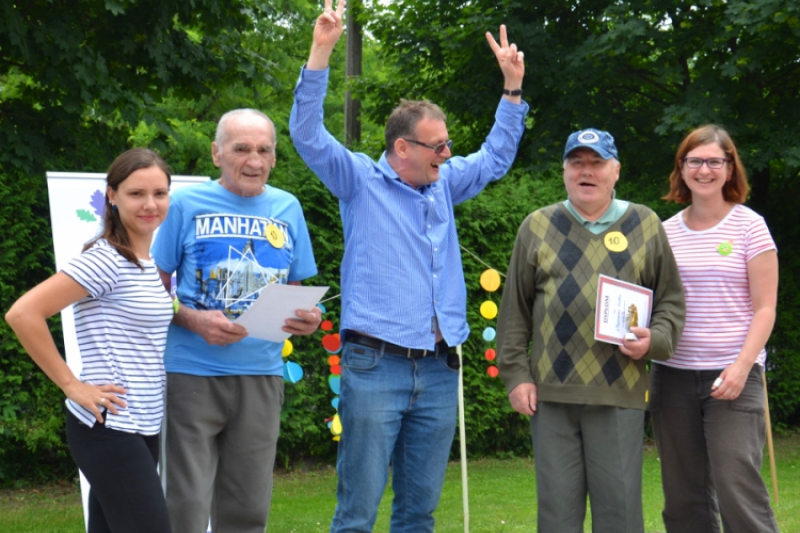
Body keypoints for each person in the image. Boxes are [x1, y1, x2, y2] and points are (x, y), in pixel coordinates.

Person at [290, 2, 528, 531]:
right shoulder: (358, 181)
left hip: (441, 367)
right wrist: (321, 52)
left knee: (419, 512)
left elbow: (493, 159)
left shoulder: (444, 182)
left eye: (447, 144)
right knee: (357, 512)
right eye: (438, 144)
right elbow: (308, 136)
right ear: (403, 147)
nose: (447, 152)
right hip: (376, 365)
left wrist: (512, 91)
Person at [496, 129, 686, 533]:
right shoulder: (537, 226)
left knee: (620, 515)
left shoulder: (646, 224)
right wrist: (516, 376)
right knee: (557, 516)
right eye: (576, 163)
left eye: (596, 163)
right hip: (550, 395)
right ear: (564, 171)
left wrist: (657, 339)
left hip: (619, 393)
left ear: (615, 171)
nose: (587, 172)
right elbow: (514, 311)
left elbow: (670, 301)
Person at [151, 109, 322, 533]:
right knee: (184, 507)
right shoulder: (185, 205)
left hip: (262, 375)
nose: (254, 160)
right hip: (191, 372)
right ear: (216, 153)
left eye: (264, 150)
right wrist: (191, 319)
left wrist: (309, 318)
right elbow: (150, 289)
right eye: (241, 148)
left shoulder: (288, 206)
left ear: (276, 158)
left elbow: (296, 291)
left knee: (247, 509)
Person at [5, 149, 174, 533]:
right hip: (109, 427)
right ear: (111, 196)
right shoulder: (106, 259)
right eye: (136, 194)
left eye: (159, 193)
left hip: (144, 424)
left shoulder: (149, 264)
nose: (150, 204)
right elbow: (22, 313)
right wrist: (72, 385)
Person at [651, 125, 780, 532]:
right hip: (672, 377)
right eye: (694, 161)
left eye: (713, 161)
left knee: (736, 488)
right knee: (683, 497)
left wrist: (742, 367)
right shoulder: (665, 232)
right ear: (681, 168)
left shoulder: (750, 226)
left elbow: (765, 309)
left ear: (729, 169)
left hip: (734, 377)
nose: (703, 170)